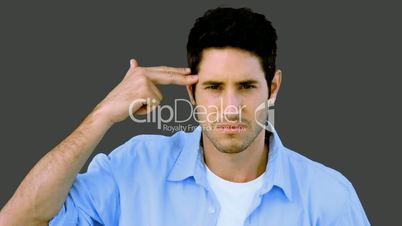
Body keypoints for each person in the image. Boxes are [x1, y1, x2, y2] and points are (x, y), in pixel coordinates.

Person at [0, 7, 370, 226]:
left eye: (245, 86)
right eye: (213, 87)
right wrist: (103, 115)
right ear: (191, 91)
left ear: (273, 87)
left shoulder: (329, 197)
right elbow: (19, 219)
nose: (230, 108)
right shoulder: (136, 168)